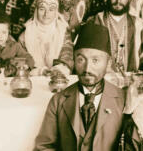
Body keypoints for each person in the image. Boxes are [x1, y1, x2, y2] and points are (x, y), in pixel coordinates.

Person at [34, 23, 125, 151]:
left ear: (108, 63)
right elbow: (43, 147)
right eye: (81, 59)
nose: (87, 69)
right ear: (74, 60)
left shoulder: (123, 100)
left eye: (95, 60)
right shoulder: (58, 101)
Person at [18, 0, 73, 76]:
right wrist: (40, 72)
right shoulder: (25, 36)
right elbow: (21, 64)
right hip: (33, 81)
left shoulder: (63, 32)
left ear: (56, 11)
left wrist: (57, 70)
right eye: (42, 9)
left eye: (51, 9)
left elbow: (67, 58)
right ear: (36, 10)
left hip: (57, 79)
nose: (46, 14)